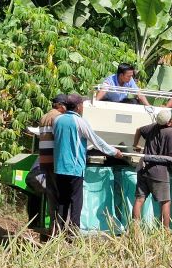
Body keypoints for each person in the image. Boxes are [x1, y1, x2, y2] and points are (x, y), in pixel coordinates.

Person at [52, 94, 124, 234]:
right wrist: (114, 151)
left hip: (59, 167)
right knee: (76, 202)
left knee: (62, 201)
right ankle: (72, 233)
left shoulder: (58, 120)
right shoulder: (80, 121)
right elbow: (96, 140)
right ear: (79, 106)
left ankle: (58, 232)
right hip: (74, 168)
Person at [131, 108, 172, 229]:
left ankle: (135, 229)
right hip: (158, 171)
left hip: (143, 167)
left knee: (139, 199)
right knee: (165, 202)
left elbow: (138, 130)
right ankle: (164, 231)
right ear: (169, 122)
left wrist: (135, 145)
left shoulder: (153, 127)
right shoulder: (171, 132)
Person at [36, 94, 67, 235]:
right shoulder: (58, 118)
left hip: (45, 160)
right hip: (55, 161)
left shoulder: (44, 117)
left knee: (51, 195)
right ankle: (59, 229)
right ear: (60, 105)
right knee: (61, 195)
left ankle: (53, 227)